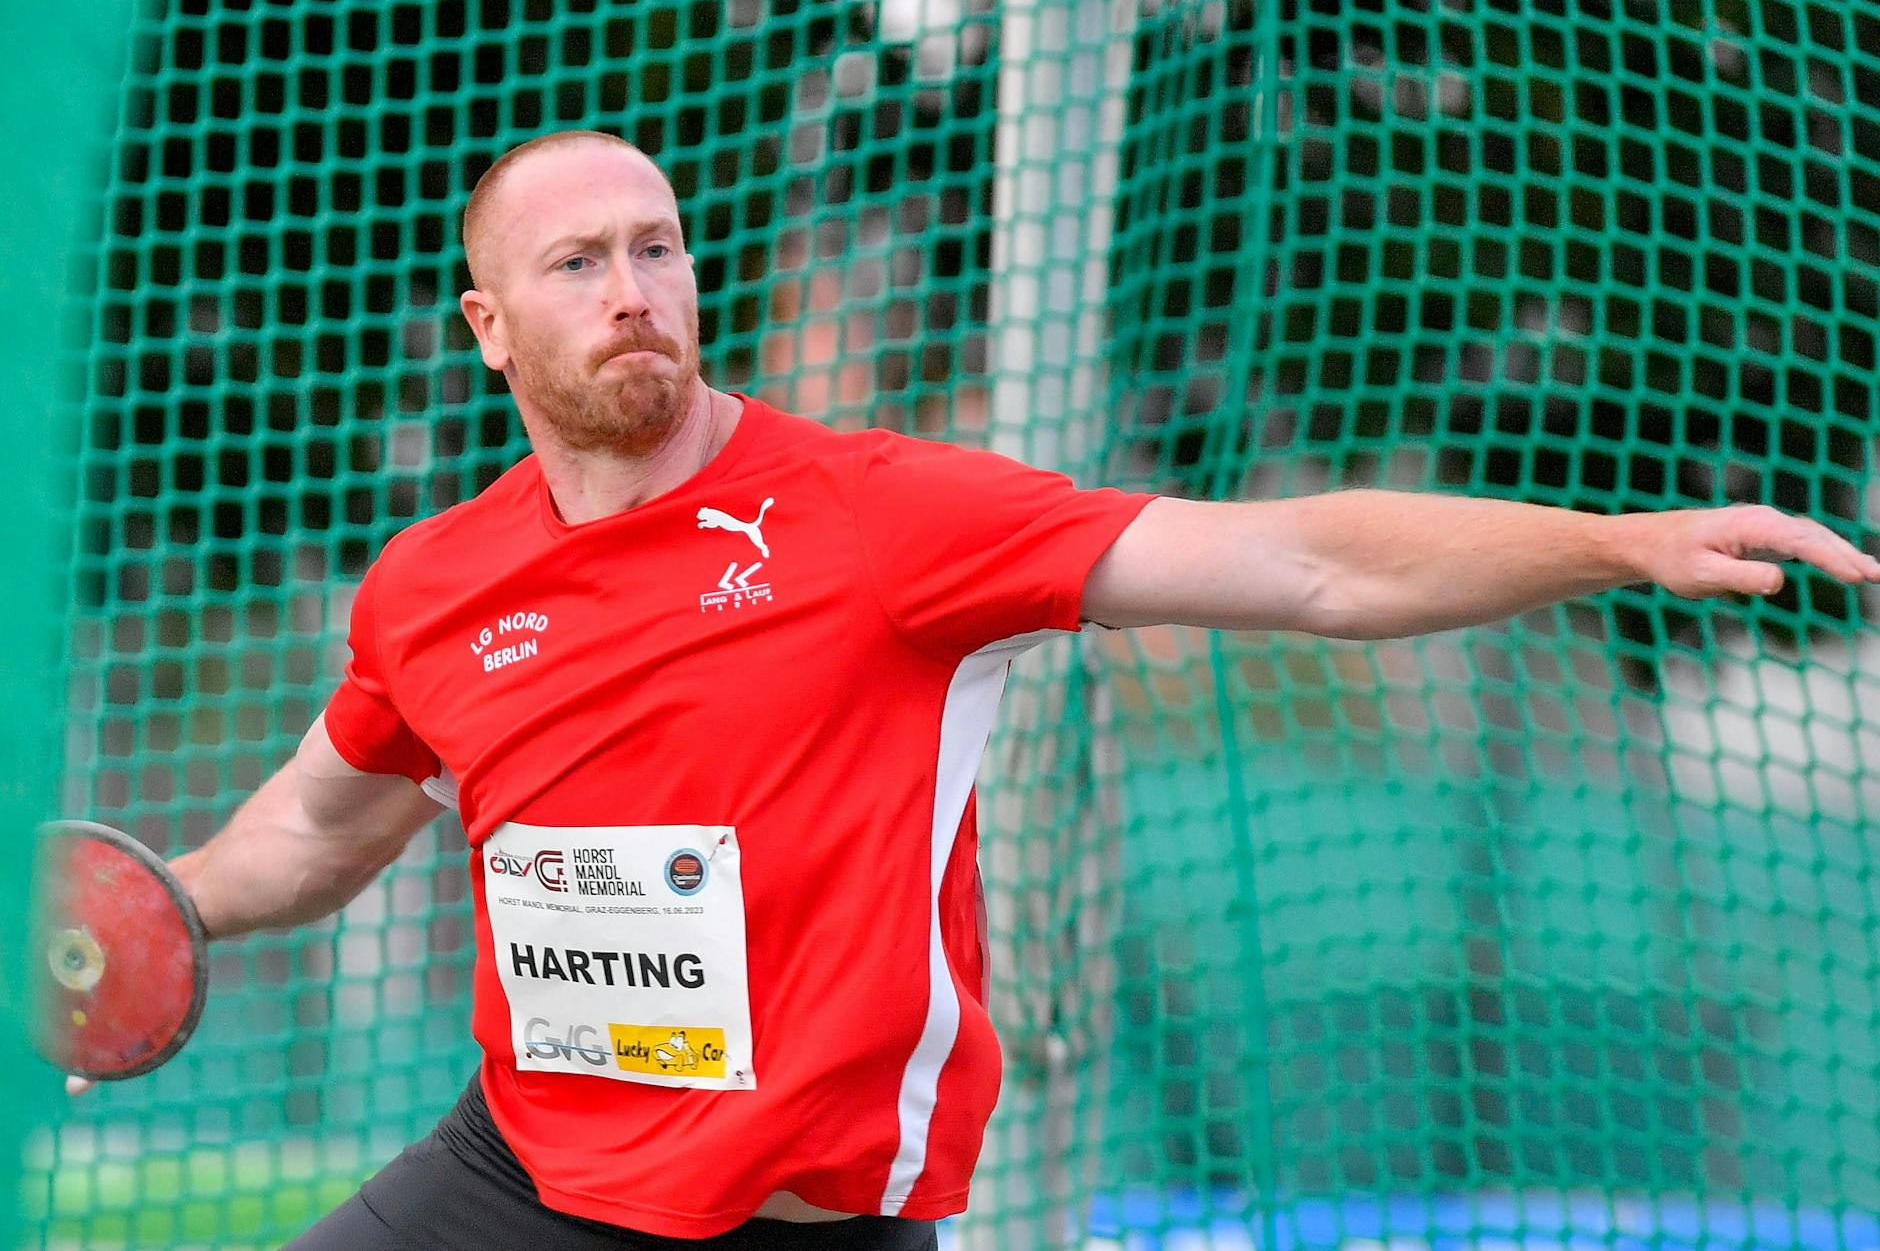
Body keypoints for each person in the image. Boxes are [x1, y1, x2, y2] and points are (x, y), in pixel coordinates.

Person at [80, 128, 1880, 1250]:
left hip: (796, 1227)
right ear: (489, 328)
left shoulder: (879, 517)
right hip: (524, 1176)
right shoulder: (435, 583)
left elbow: (1307, 565)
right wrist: (146, 914)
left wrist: (1611, 539)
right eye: (577, 262)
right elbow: (319, 823)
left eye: (658, 246)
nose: (634, 290)